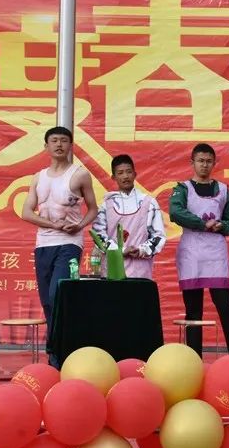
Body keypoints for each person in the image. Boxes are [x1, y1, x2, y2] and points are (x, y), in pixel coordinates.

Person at [21, 126, 98, 367]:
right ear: (46, 146)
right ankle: (56, 350)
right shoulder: (38, 177)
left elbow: (93, 209)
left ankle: (59, 352)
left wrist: (79, 226)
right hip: (43, 244)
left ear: (70, 146)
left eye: (64, 140)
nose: (59, 145)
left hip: (69, 244)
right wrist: (52, 224)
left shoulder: (80, 175)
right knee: (47, 300)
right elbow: (26, 212)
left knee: (59, 294)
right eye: (54, 140)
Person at [169, 143, 229, 357]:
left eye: (209, 161)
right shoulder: (182, 189)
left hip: (215, 254)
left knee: (225, 306)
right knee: (193, 310)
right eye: (200, 161)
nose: (204, 165)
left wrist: (222, 226)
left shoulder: (224, 190)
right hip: (191, 253)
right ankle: (194, 359)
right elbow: (176, 213)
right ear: (192, 162)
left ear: (214, 163)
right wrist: (203, 224)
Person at [92, 154, 166, 279]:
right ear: (113, 177)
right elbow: (99, 236)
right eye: (120, 173)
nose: (125, 176)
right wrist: (120, 251)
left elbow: (158, 236)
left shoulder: (149, 203)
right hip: (112, 272)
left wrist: (141, 250)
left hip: (140, 272)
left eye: (129, 172)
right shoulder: (106, 205)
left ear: (135, 174)